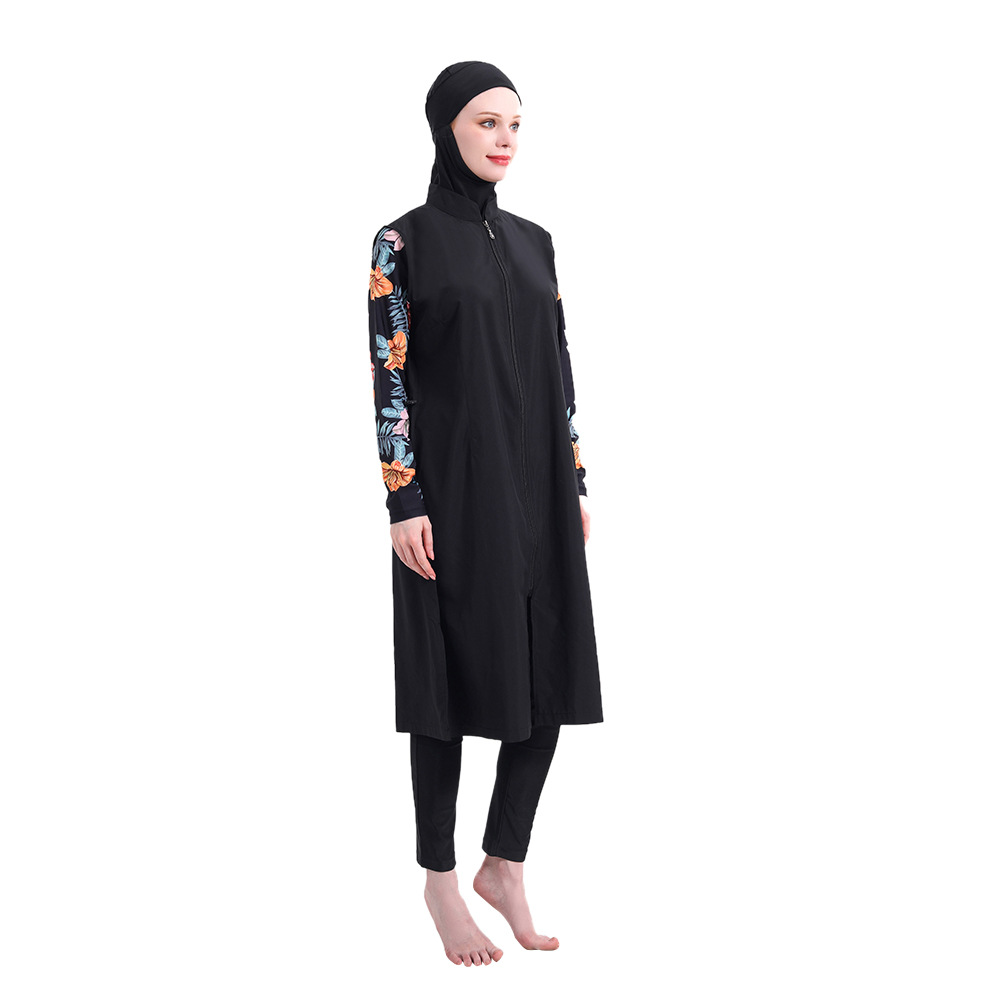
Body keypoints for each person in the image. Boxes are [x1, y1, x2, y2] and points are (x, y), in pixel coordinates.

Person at [367, 61, 604, 967]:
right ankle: (439, 878)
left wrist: (575, 480)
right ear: (446, 129)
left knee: (550, 667)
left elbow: (561, 367)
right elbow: (389, 374)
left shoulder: (538, 242)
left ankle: (503, 861)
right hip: (453, 493)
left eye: (515, 124)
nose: (504, 139)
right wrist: (405, 497)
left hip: (540, 487)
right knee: (447, 676)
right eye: (485, 122)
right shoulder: (402, 242)